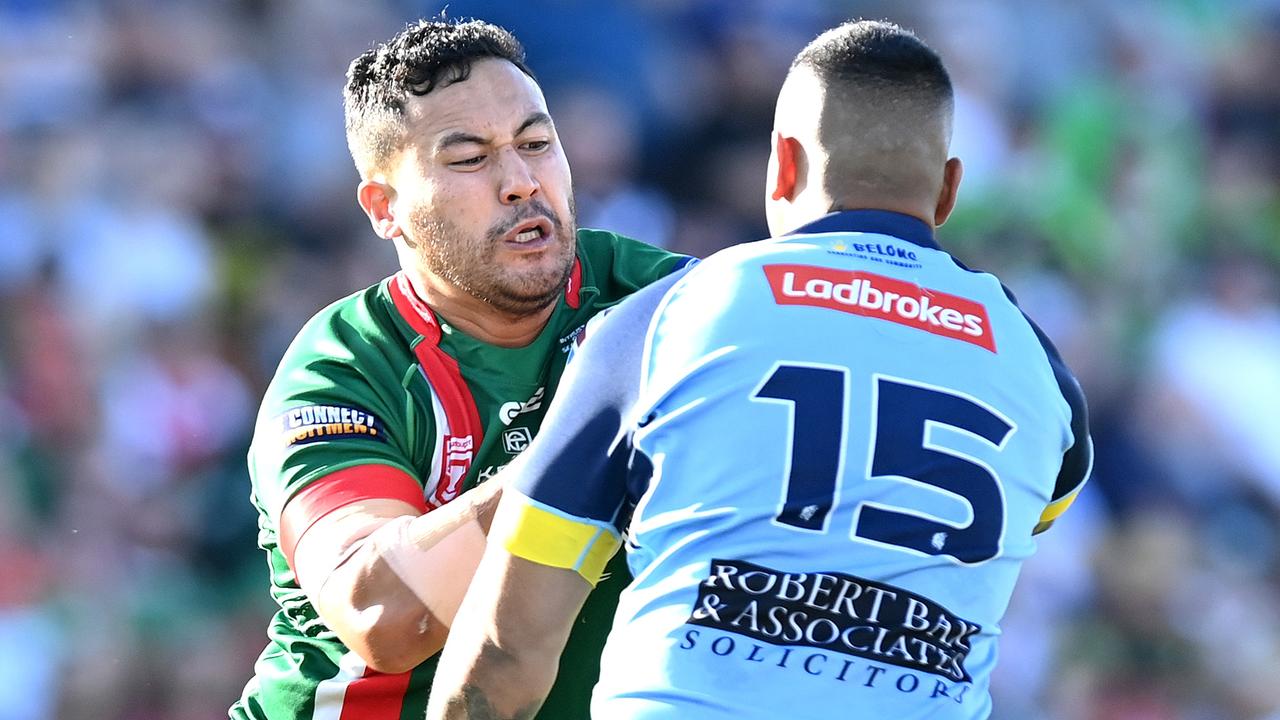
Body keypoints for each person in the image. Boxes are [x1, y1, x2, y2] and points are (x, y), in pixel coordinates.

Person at [427, 19, 1092, 720]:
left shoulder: (662, 321)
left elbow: (503, 655)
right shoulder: (1042, 374)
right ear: (948, 189)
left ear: (781, 166)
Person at [228, 18, 692, 720]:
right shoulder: (343, 367)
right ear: (385, 209)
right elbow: (380, 610)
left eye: (538, 144)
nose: (520, 182)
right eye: (469, 158)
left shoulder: (664, 302)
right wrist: (587, 449)